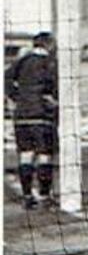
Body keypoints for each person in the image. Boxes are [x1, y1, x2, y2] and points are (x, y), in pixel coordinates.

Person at [5, 31, 58, 209]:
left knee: (26, 155)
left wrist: (15, 96)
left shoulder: (22, 61)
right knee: (45, 156)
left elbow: (5, 78)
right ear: (49, 45)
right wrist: (53, 99)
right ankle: (44, 196)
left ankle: (27, 196)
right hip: (42, 116)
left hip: (21, 117)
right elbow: (55, 86)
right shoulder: (50, 63)